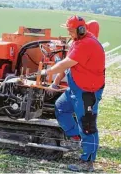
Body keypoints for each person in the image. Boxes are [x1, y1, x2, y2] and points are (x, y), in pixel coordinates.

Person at [41, 15, 105, 172]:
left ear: (81, 29)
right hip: (75, 88)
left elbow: (65, 63)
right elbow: (67, 66)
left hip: (87, 92)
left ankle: (87, 162)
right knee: (61, 107)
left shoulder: (87, 44)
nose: (69, 33)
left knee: (88, 126)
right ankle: (75, 137)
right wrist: (55, 83)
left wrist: (47, 72)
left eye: (71, 30)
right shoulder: (77, 41)